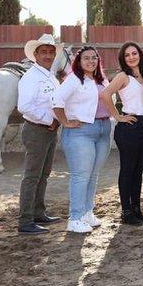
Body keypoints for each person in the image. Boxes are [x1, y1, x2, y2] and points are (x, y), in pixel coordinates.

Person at [52, 46, 111, 233]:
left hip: (103, 130)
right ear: (79, 61)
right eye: (86, 58)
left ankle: (87, 212)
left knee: (93, 174)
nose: (91, 61)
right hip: (81, 131)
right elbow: (56, 99)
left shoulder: (101, 79)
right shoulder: (74, 80)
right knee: (80, 175)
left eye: (94, 58)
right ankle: (75, 218)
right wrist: (65, 122)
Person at [100, 42, 143, 226]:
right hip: (129, 126)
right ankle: (126, 211)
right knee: (128, 170)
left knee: (138, 171)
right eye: (127, 55)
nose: (131, 57)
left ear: (140, 54)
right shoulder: (123, 76)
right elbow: (105, 95)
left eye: (134, 53)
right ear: (123, 59)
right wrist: (118, 116)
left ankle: (137, 208)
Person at [17, 34, 63, 234]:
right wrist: (50, 120)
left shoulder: (49, 75)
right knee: (32, 176)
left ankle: (38, 213)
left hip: (50, 130)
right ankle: (25, 221)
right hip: (37, 130)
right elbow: (24, 106)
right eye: (43, 52)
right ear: (35, 54)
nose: (48, 55)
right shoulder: (31, 77)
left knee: (43, 174)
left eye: (51, 52)